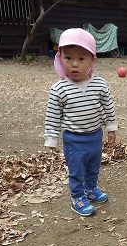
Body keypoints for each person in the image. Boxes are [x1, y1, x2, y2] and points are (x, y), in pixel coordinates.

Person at [44, 28, 117, 216]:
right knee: (76, 170)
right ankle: (77, 197)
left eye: (81, 59)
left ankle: (90, 190)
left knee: (93, 166)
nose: (74, 64)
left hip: (95, 135)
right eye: (68, 58)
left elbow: (108, 107)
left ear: (93, 59)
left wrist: (111, 128)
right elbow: (53, 116)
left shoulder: (100, 84)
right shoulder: (59, 89)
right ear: (60, 58)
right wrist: (51, 138)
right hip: (73, 140)